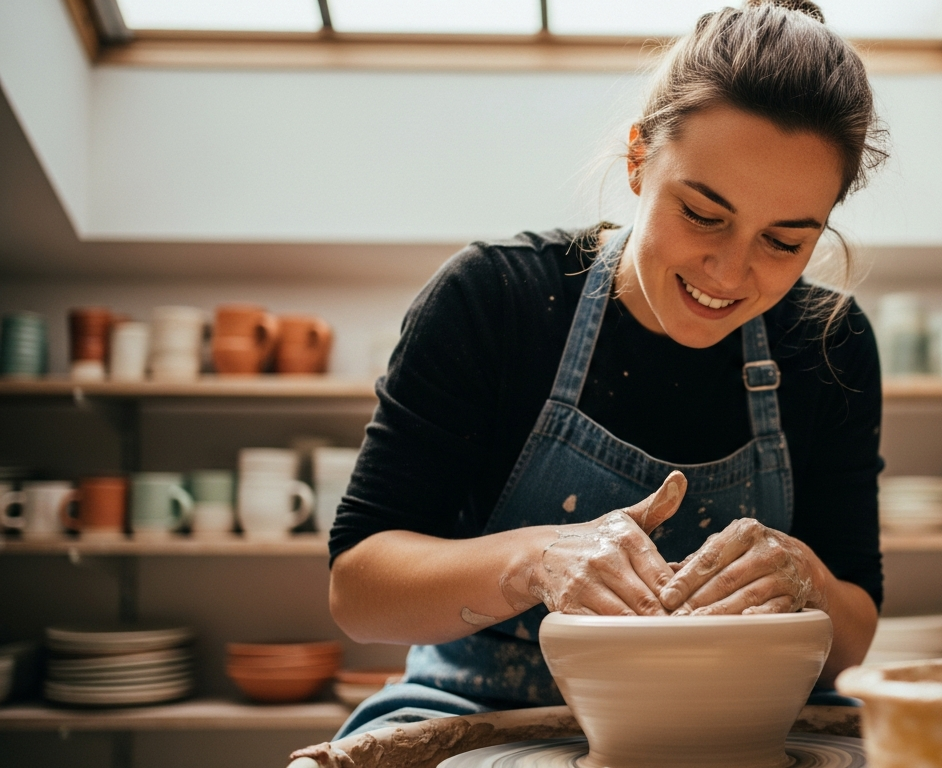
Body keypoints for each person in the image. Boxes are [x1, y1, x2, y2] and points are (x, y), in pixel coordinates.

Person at [328, 0, 888, 738]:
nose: (730, 270)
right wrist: (535, 560)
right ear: (637, 161)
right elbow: (358, 591)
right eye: (702, 214)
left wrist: (807, 581)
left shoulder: (829, 344)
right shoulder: (496, 298)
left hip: (750, 716)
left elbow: (853, 641)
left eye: (784, 242)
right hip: (493, 707)